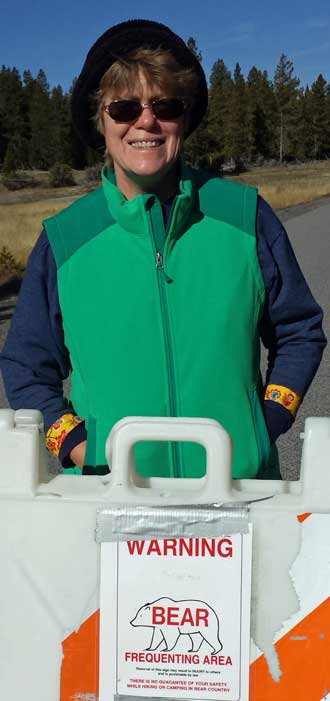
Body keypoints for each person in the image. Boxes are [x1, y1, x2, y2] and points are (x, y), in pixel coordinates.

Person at [0, 19, 326, 479]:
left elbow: (300, 329)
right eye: (125, 107)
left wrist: (267, 419)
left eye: (165, 105)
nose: (146, 121)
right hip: (111, 504)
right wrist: (73, 443)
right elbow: (26, 365)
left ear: (185, 117)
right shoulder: (66, 238)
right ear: (101, 119)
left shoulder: (245, 216)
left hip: (236, 497)